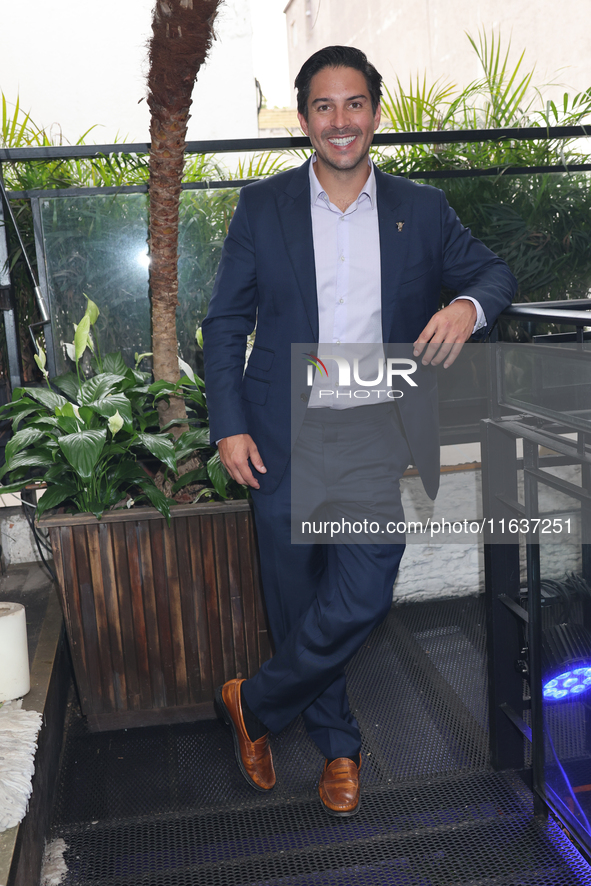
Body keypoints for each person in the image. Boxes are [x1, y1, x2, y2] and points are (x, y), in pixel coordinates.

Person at [203, 45, 516, 817]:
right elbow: (222, 324)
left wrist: (462, 309)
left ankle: (254, 703)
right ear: (304, 119)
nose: (339, 121)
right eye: (322, 106)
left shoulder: (423, 209)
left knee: (363, 592)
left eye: (353, 105)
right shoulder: (262, 207)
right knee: (295, 596)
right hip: (278, 429)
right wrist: (228, 427)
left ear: (375, 113)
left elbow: (494, 274)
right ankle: (339, 749)